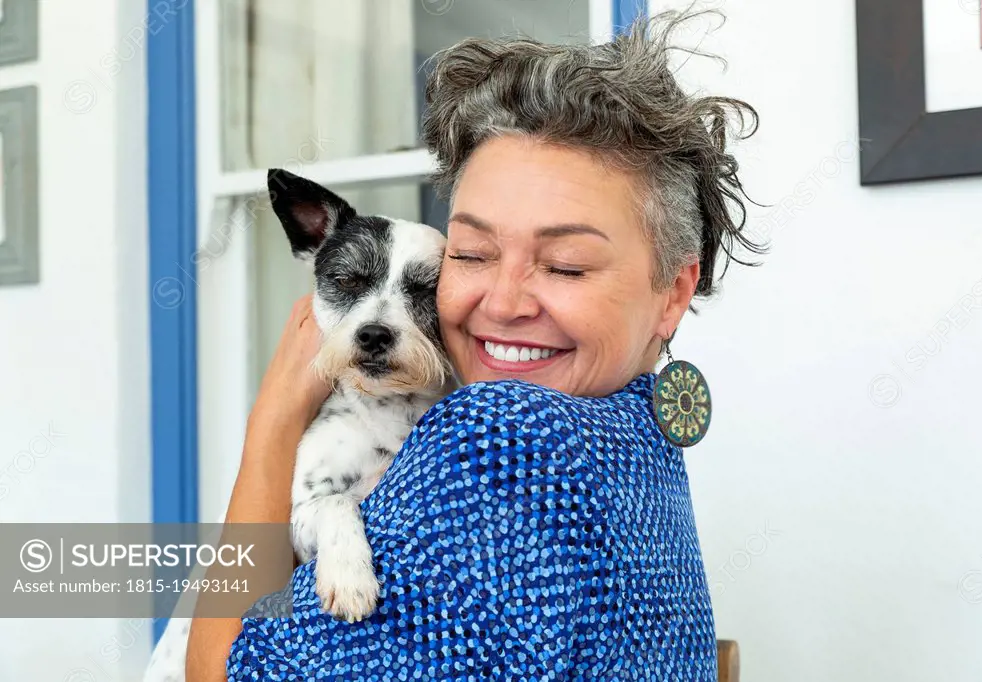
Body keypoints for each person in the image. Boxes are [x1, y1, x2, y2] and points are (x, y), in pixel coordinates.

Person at [187, 9, 763, 681]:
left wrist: (275, 418)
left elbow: (219, 671)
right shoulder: (641, 429)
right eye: (470, 253)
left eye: (565, 265)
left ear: (672, 290)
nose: (503, 302)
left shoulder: (498, 434)